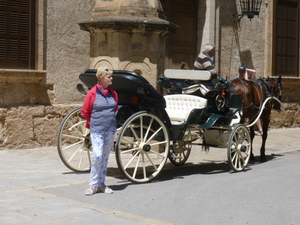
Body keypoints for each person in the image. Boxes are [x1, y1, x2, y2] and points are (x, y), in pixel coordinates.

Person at [81, 67, 118, 196]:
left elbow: (115, 108)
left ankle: (101, 184)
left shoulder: (113, 93)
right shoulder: (92, 93)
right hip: (97, 130)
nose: (111, 78)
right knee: (97, 155)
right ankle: (92, 184)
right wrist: (94, 123)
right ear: (101, 78)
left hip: (110, 129)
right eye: (109, 76)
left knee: (105, 156)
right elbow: (85, 112)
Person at [238, 65, 263, 135]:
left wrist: (246, 69)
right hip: (244, 100)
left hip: (250, 100)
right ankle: (245, 130)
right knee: (245, 116)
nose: (241, 73)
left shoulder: (248, 79)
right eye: (240, 72)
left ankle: (260, 129)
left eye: (242, 72)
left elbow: (254, 71)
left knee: (256, 115)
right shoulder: (239, 79)